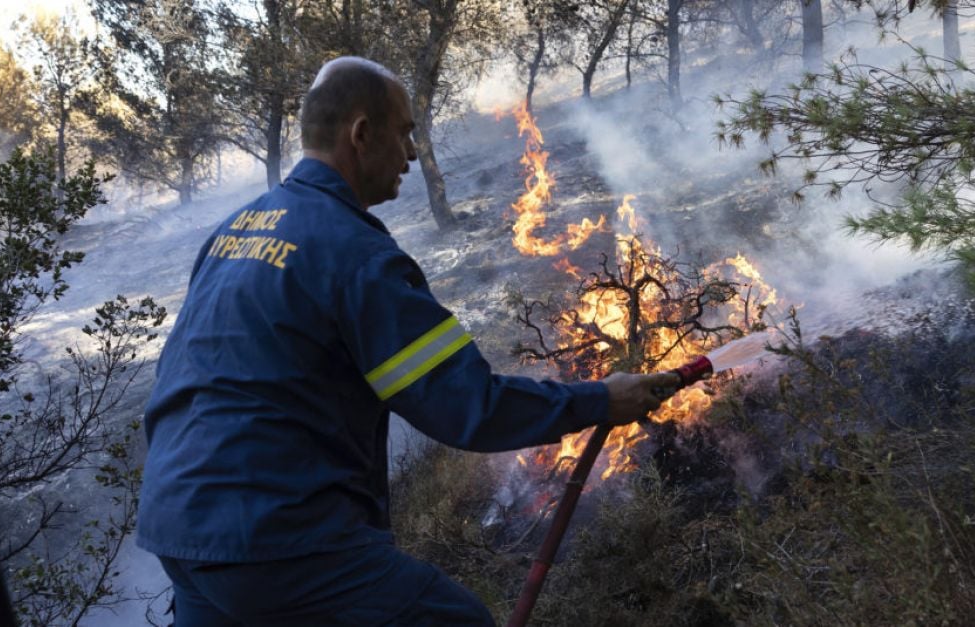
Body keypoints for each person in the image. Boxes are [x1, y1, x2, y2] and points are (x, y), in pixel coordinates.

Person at [136, 57, 679, 626]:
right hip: (275, 537)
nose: (413, 155)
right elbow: (468, 406)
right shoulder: (354, 253)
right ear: (362, 134)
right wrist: (600, 400)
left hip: (179, 527)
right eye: (404, 133)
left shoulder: (238, 229)